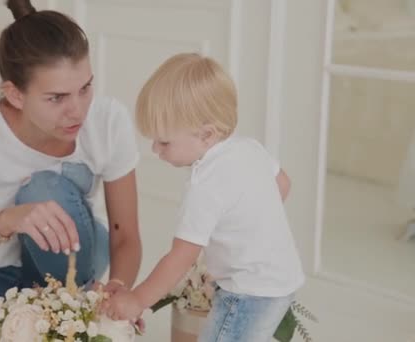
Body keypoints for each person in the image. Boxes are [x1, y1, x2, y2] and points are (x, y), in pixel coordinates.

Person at [0, 1, 142, 341]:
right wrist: (7, 220)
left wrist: (119, 290)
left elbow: (125, 236)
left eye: (85, 88)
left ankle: (64, 309)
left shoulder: (108, 120)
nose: (77, 111)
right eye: (56, 97)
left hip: (71, 264)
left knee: (43, 190)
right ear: (15, 94)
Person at [104, 53, 304, 342]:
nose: (156, 150)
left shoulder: (205, 183)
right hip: (281, 282)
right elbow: (283, 184)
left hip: (247, 292)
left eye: (164, 141)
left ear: (206, 134)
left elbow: (180, 258)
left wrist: (137, 300)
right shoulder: (250, 148)